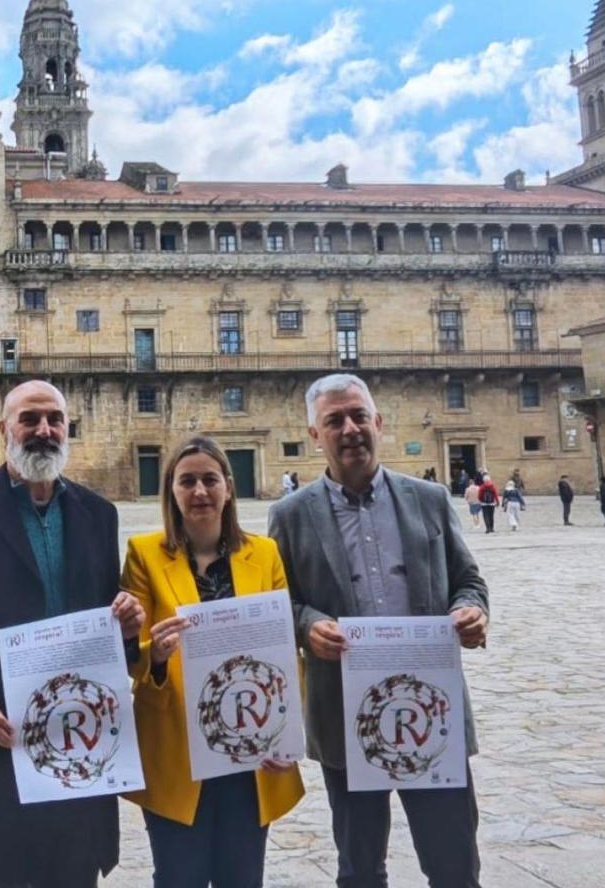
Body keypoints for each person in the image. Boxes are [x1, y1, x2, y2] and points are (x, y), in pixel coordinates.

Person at [0, 379, 146, 887]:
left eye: (54, 420)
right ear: (5, 428)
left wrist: (128, 625)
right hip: (0, 746)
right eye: (30, 419)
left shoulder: (98, 515)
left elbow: (106, 629)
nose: (44, 430)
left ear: (67, 428)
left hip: (78, 750)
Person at [268, 374, 490, 888]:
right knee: (361, 867)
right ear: (315, 434)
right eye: (334, 421)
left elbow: (468, 580)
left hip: (431, 709)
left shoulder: (429, 499)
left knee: (455, 861)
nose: (350, 429)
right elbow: (280, 602)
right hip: (344, 714)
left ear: (378, 423)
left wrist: (470, 611)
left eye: (359, 416)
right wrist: (307, 625)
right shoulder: (290, 516)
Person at [122, 436, 304, 888]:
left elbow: (284, 650)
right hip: (176, 751)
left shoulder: (264, 554)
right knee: (177, 877)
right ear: (171, 491)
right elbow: (130, 655)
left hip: (251, 750)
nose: (199, 491)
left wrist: (287, 737)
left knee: (242, 877)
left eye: (209, 479)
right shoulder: (143, 554)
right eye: (187, 481)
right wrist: (154, 653)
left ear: (228, 487)